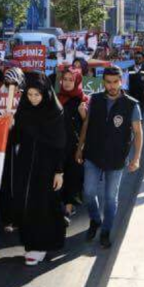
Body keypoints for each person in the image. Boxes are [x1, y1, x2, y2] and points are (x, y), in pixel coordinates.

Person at [76, 66, 144, 249]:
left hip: (116, 158)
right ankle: (95, 220)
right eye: (108, 82)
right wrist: (80, 147)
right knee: (88, 192)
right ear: (103, 82)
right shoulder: (95, 99)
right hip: (93, 154)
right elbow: (87, 124)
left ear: (121, 81)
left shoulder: (131, 105)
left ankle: (106, 231)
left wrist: (136, 158)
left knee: (110, 198)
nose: (112, 86)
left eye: (115, 82)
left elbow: (138, 133)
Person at [6, 72, 66, 265]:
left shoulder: (55, 112)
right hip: (25, 164)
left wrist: (59, 172)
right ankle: (30, 243)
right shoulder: (24, 110)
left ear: (45, 93)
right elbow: (16, 137)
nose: (33, 99)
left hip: (46, 166)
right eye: (29, 94)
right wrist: (9, 125)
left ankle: (40, 245)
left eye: (37, 95)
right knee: (26, 203)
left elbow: (60, 144)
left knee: (43, 205)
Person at [57, 67, 88, 224]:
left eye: (71, 80)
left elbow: (91, 126)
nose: (68, 83)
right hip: (58, 146)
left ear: (77, 82)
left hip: (76, 147)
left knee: (73, 177)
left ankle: (68, 210)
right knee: (57, 176)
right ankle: (58, 208)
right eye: (65, 79)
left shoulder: (84, 100)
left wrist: (84, 115)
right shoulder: (56, 99)